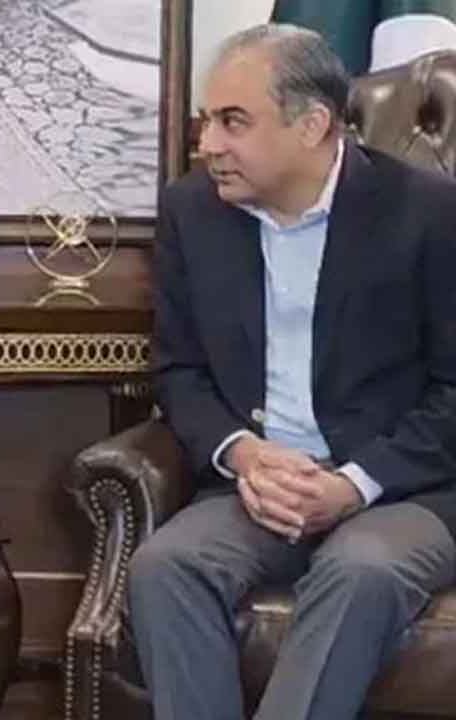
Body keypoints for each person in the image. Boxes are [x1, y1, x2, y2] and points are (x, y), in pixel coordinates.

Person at [129, 24, 456, 720]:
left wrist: (352, 484)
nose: (208, 144)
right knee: (167, 566)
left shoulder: (429, 213)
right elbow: (179, 371)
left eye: (233, 122)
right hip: (259, 486)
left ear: (312, 126)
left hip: (402, 490)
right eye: (207, 121)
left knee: (359, 571)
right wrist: (244, 455)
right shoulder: (192, 210)